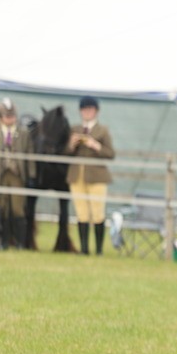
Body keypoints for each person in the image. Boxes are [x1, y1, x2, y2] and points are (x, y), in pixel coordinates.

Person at [65, 96, 115, 255]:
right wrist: (72, 144)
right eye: (84, 109)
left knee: (97, 212)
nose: (87, 112)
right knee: (81, 212)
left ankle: (99, 249)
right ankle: (84, 249)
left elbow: (110, 153)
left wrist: (95, 145)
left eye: (90, 109)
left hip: (96, 176)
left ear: (96, 111)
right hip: (77, 175)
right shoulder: (75, 129)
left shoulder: (103, 130)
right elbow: (65, 153)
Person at [0, 98, 34, 250]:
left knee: (18, 209)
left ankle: (20, 242)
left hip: (17, 176)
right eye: (7, 116)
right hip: (0, 175)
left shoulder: (23, 134)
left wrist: (31, 175)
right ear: (1, 117)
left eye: (12, 116)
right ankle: (3, 241)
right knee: (2, 208)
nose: (10, 119)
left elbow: (30, 155)